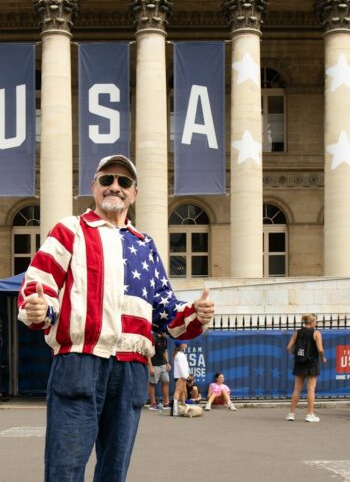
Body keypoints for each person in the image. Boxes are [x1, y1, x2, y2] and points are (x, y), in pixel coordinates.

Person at [18, 154, 215, 482]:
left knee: (114, 472)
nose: (115, 187)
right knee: (64, 469)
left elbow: (166, 310)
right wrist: (40, 309)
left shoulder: (145, 245)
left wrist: (196, 313)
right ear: (94, 187)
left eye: (124, 182)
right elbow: (38, 286)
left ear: (134, 193)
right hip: (80, 361)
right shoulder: (70, 231)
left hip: (130, 369)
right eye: (107, 180)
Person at [286, 313, 326, 422]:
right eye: (316, 321)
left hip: (299, 362)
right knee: (311, 389)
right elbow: (320, 349)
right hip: (312, 363)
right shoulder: (316, 333)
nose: (316, 323)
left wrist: (297, 353)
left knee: (296, 389)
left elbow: (288, 347)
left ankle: (291, 414)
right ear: (312, 322)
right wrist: (322, 358)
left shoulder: (297, 333)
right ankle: (310, 414)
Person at [147, 332, 171, 410]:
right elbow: (148, 353)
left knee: (166, 381)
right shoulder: (153, 337)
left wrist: (167, 363)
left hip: (163, 364)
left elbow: (164, 351)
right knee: (152, 383)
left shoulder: (164, 338)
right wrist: (150, 367)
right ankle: (153, 404)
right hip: (154, 364)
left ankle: (166, 403)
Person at [171, 341, 191, 409]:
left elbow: (185, 365)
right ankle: (175, 408)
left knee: (182, 391)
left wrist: (187, 374)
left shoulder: (181, 353)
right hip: (180, 376)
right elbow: (180, 366)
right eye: (184, 343)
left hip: (183, 376)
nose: (186, 344)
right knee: (178, 390)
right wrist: (183, 375)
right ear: (180, 345)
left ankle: (183, 405)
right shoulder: (178, 355)